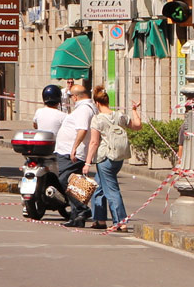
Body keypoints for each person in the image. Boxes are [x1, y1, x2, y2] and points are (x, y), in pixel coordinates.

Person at [82, 86, 144, 231]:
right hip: (118, 158)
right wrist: (134, 111)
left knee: (111, 191)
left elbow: (94, 142)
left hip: (105, 158)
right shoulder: (119, 116)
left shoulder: (97, 119)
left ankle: (120, 222)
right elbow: (137, 126)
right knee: (98, 187)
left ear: (96, 103)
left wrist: (87, 162)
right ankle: (100, 219)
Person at [53, 84, 97, 227]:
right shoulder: (82, 108)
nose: (70, 98)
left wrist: (74, 148)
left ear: (76, 96)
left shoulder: (84, 109)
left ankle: (82, 209)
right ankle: (76, 217)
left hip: (71, 153)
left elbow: (82, 129)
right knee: (74, 184)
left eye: (71, 96)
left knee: (65, 180)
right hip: (68, 151)